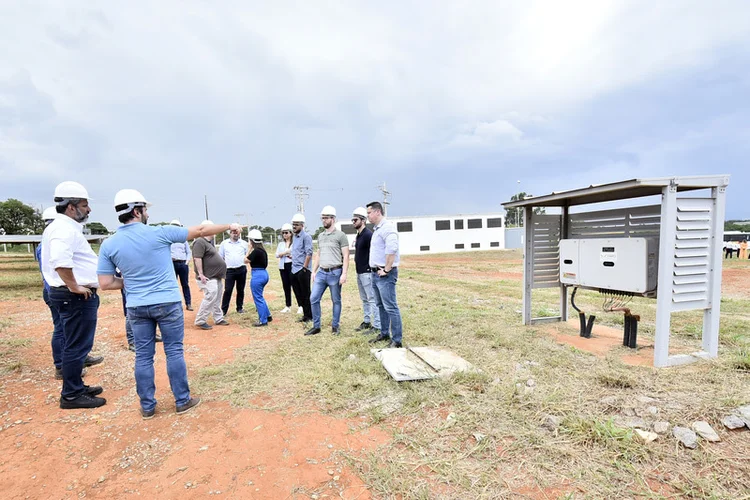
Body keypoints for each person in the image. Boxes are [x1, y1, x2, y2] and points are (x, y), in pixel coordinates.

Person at [98, 188, 238, 419]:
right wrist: (229, 225)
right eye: (145, 210)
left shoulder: (109, 244)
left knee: (143, 356)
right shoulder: (159, 233)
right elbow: (201, 230)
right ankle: (182, 400)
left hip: (136, 306)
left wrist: (132, 281)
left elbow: (105, 282)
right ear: (136, 210)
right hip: (167, 303)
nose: (147, 214)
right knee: (174, 352)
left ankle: (147, 406)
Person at [41, 181, 106, 409]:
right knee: (76, 346)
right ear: (71, 207)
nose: (88, 210)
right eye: (84, 205)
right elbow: (60, 260)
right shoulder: (63, 229)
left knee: (74, 344)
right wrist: (75, 286)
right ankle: (71, 394)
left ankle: (76, 385)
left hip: (70, 295)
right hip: (74, 297)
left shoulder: (63, 228)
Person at [36, 207, 91, 380]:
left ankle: (69, 365)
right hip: (61, 290)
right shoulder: (59, 236)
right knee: (62, 330)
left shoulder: (44, 242)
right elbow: (61, 264)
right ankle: (62, 368)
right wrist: (74, 285)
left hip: (54, 289)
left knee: (66, 331)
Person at [305, 206, 349, 336]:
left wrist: (344, 273)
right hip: (321, 273)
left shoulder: (341, 236)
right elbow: (319, 254)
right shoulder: (320, 236)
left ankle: (335, 326)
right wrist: (314, 271)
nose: (323, 220)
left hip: (335, 273)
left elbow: (346, 255)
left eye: (326, 218)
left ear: (333, 219)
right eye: (322, 218)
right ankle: (316, 326)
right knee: (313, 298)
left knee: (336, 300)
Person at [366, 201, 404, 348]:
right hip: (376, 273)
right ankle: (384, 333)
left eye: (369, 213)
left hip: (385, 274)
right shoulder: (377, 229)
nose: (368, 216)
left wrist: (387, 269)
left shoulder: (387, 228)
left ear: (377, 212)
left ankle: (397, 340)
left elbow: (392, 249)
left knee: (390, 307)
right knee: (380, 305)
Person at [192, 220, 229, 330]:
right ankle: (200, 319)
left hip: (215, 276)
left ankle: (218, 318)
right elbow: (197, 258)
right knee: (211, 296)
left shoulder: (208, 243)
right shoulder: (199, 242)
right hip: (207, 277)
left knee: (217, 298)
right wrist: (201, 274)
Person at [351, 207, 380, 334]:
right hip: (359, 271)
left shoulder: (368, 235)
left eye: (355, 220)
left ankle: (376, 325)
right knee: (364, 299)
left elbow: (375, 252)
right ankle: (367, 321)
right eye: (352, 219)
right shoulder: (359, 235)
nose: (353, 222)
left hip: (367, 272)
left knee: (372, 299)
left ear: (363, 220)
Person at [219, 225, 248, 315]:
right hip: (229, 270)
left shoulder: (244, 243)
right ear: (230, 233)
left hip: (241, 269)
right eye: (233, 232)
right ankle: (223, 310)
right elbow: (220, 257)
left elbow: (247, 255)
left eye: (237, 232)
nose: (235, 234)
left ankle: (239, 307)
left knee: (240, 289)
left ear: (239, 233)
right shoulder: (224, 243)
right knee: (228, 290)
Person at [290, 213, 313, 323]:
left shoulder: (306, 237)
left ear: (302, 225)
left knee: (306, 294)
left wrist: (304, 268)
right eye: (293, 224)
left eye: (296, 224)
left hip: (302, 270)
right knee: (298, 294)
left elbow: (309, 253)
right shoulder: (294, 237)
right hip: (294, 269)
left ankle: (309, 316)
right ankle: (305, 314)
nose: (294, 226)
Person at [246, 229, 272, 327]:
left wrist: (248, 249)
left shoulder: (255, 251)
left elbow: (245, 260)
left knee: (257, 298)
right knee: (260, 296)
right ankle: (268, 315)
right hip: (264, 274)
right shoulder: (263, 250)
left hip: (257, 275)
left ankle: (263, 320)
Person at [169, 220, 193, 311]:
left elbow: (188, 252)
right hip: (172, 264)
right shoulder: (169, 240)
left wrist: (186, 262)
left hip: (183, 264)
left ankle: (188, 303)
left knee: (185, 284)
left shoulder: (183, 240)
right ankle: (174, 304)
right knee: (172, 285)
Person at [275, 223, 295, 313]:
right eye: (283, 233)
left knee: (295, 286)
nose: (285, 235)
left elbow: (296, 254)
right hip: (283, 266)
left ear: (291, 233)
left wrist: (287, 254)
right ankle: (288, 305)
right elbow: (277, 254)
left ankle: (301, 305)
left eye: (286, 232)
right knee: (286, 286)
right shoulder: (281, 244)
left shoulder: (294, 243)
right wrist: (284, 253)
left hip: (292, 265)